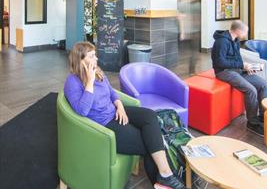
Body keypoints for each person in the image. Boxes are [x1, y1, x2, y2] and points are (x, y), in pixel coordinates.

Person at [63, 42, 186, 189]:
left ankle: (165, 177)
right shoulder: (72, 82)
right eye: (91, 56)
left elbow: (112, 93)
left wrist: (120, 107)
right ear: (81, 61)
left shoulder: (98, 71)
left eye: (95, 54)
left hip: (115, 112)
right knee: (147, 143)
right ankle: (165, 177)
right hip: (105, 124)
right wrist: (89, 82)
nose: (96, 58)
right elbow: (82, 110)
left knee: (149, 115)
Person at [211, 21, 267, 138]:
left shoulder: (235, 41)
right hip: (224, 72)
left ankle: (264, 116)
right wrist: (242, 65)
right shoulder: (221, 42)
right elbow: (219, 62)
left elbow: (237, 59)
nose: (246, 34)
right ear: (238, 30)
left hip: (238, 70)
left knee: (265, 84)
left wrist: (246, 67)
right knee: (251, 90)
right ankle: (252, 123)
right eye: (245, 31)